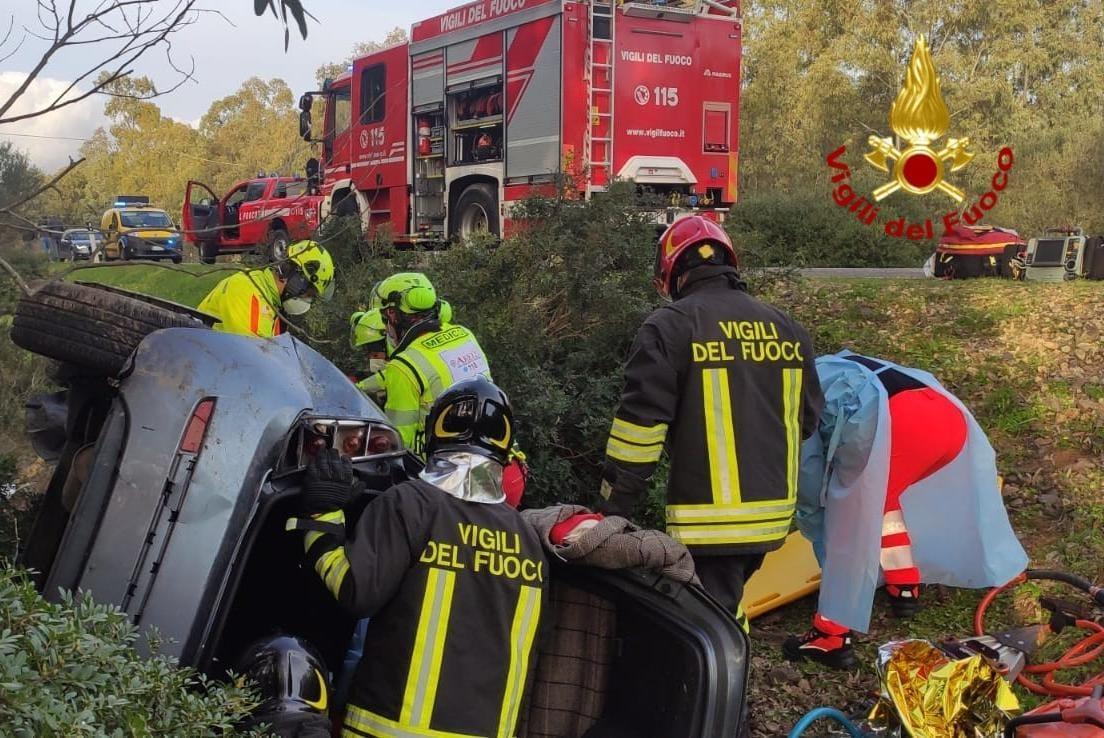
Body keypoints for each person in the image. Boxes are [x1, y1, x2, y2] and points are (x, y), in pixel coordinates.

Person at [599, 215, 823, 632]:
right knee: (724, 606)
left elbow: (639, 434)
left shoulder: (669, 327)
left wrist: (613, 509)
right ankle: (727, 683)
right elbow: (807, 419)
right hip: (772, 518)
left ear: (672, 274)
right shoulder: (788, 329)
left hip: (707, 524)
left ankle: (723, 692)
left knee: (707, 621)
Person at [291, 377, 547, 738]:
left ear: (435, 433)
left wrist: (322, 516)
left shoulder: (409, 504)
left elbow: (356, 590)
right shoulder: (527, 540)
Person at [784, 351, 1028, 669]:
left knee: (843, 521)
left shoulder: (787, 395)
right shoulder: (826, 365)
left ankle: (830, 635)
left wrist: (812, 515)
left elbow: (808, 473)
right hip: (947, 419)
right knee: (883, 496)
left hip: (897, 424)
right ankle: (904, 583)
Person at [372, 272, 491, 456]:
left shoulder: (402, 366)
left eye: (384, 319)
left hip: (443, 470)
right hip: (490, 450)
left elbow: (399, 443)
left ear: (392, 315)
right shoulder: (464, 334)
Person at [198, 240, 334, 337]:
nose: (308, 300)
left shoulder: (270, 303)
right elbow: (251, 361)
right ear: (298, 280)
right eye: (309, 294)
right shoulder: (246, 290)